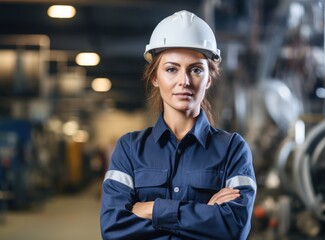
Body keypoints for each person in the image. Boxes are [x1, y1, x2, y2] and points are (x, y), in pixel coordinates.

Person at [100, 10, 257, 240]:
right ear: (155, 78)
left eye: (195, 69)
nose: (184, 81)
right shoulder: (129, 149)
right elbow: (113, 229)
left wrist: (152, 209)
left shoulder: (232, 150)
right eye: (171, 69)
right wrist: (206, 217)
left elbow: (234, 229)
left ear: (209, 79)